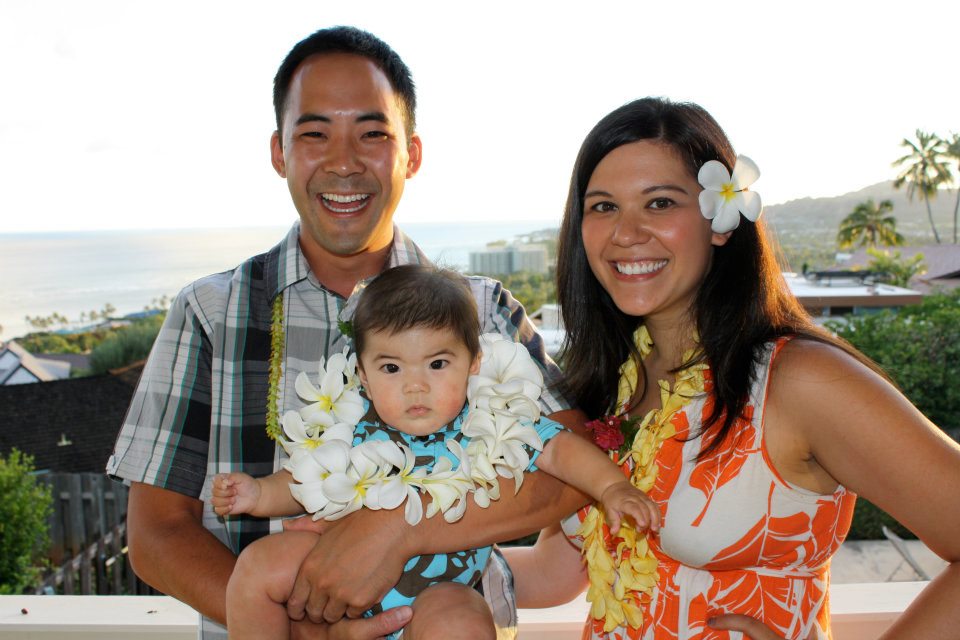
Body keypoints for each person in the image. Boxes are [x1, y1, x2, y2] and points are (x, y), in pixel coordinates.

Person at [107, 27, 588, 640]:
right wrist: (291, 628)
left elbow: (570, 467)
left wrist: (401, 529)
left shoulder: (481, 308)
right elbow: (155, 536)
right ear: (279, 151)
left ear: (411, 154)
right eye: (314, 134)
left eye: (372, 133)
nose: (343, 161)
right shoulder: (210, 312)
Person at [503, 97, 960, 639]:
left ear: (721, 224)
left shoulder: (799, 382)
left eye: (660, 203)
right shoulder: (606, 385)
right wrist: (411, 560)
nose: (625, 233)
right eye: (603, 207)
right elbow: (559, 570)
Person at [211, 264, 659, 640]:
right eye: (391, 367)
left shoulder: (491, 422)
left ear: (474, 363)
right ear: (363, 377)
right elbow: (305, 480)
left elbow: (562, 452)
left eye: (438, 363)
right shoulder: (355, 427)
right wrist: (257, 494)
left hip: (441, 589)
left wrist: (613, 487)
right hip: (337, 574)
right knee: (257, 566)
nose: (415, 384)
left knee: (460, 622)